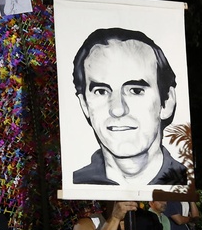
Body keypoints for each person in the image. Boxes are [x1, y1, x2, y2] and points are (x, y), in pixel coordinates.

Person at [71, 28, 188, 186]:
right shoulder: (75, 188)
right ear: (84, 104)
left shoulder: (183, 183)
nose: (118, 109)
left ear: (166, 102)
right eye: (101, 91)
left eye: (136, 90)